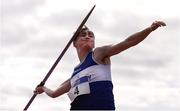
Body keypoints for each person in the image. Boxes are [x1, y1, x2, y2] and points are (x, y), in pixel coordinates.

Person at [34, 21, 166, 110]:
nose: (88, 37)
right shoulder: (75, 74)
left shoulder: (98, 54)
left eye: (91, 36)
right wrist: (43, 88)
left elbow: (128, 42)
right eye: (83, 35)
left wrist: (149, 29)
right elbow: (54, 93)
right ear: (74, 43)